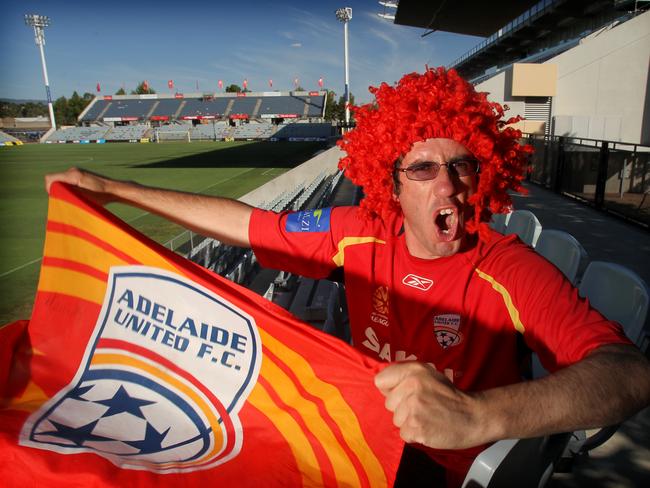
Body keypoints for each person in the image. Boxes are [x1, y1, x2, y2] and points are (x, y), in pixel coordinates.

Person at [46, 67, 650, 487]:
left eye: (462, 166)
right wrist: (110, 190)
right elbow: (250, 225)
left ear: (483, 174)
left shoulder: (510, 270)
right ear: (389, 183)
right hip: (352, 434)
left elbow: (628, 372)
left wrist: (480, 415)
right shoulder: (360, 228)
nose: (448, 185)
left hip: (438, 469)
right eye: (423, 169)